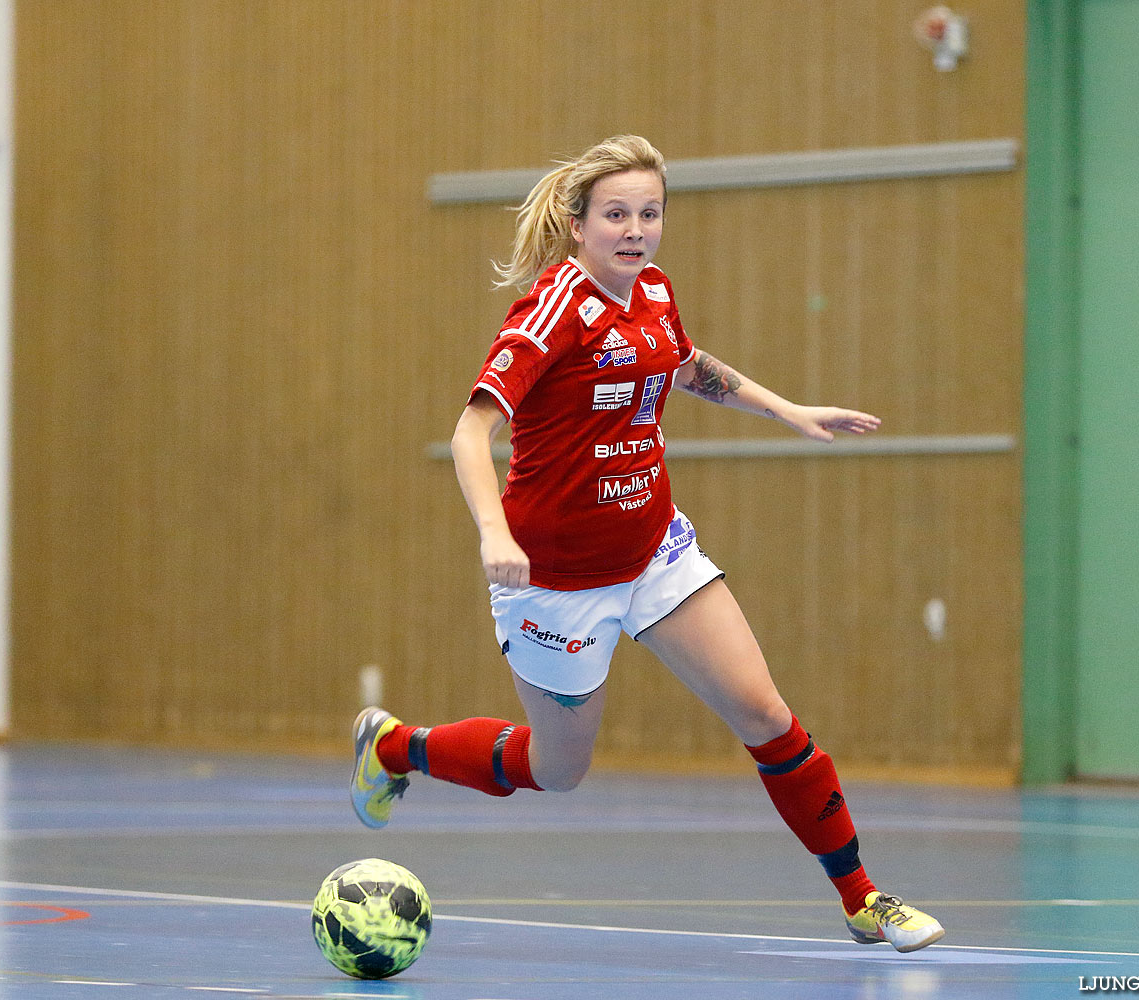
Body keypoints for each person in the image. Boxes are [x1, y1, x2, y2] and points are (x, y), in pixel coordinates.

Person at [351, 135, 944, 952]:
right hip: (556, 581)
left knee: (766, 713)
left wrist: (790, 411)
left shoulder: (654, 292)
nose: (635, 230)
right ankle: (393, 746)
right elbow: (471, 428)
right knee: (558, 771)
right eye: (617, 215)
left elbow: (687, 364)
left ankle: (862, 898)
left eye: (650, 213)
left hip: (655, 553)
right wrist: (493, 529)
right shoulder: (552, 308)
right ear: (579, 222)